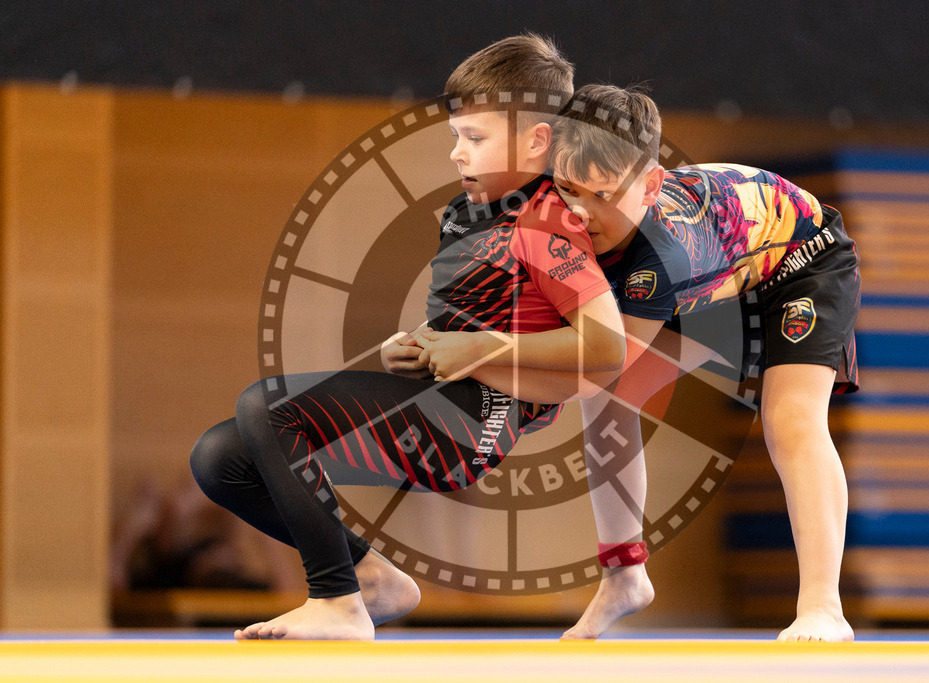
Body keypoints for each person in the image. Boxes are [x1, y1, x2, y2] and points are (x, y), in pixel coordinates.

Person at [190, 34, 626, 641]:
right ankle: (374, 577)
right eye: (456, 136)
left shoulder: (547, 222)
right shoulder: (471, 213)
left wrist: (483, 350)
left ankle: (336, 599)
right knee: (222, 459)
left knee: (267, 406)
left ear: (537, 141)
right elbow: (488, 313)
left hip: (478, 421)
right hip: (446, 399)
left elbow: (606, 348)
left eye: (474, 139)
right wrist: (423, 343)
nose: (456, 153)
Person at [413, 84, 860, 642]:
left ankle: (823, 606)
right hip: (719, 278)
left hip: (797, 261)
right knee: (611, 397)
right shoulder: (560, 211)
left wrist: (481, 355)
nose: (583, 211)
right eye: (570, 189)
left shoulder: (663, 251)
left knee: (790, 419)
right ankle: (625, 575)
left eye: (603, 195)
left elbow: (592, 364)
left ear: (649, 186)